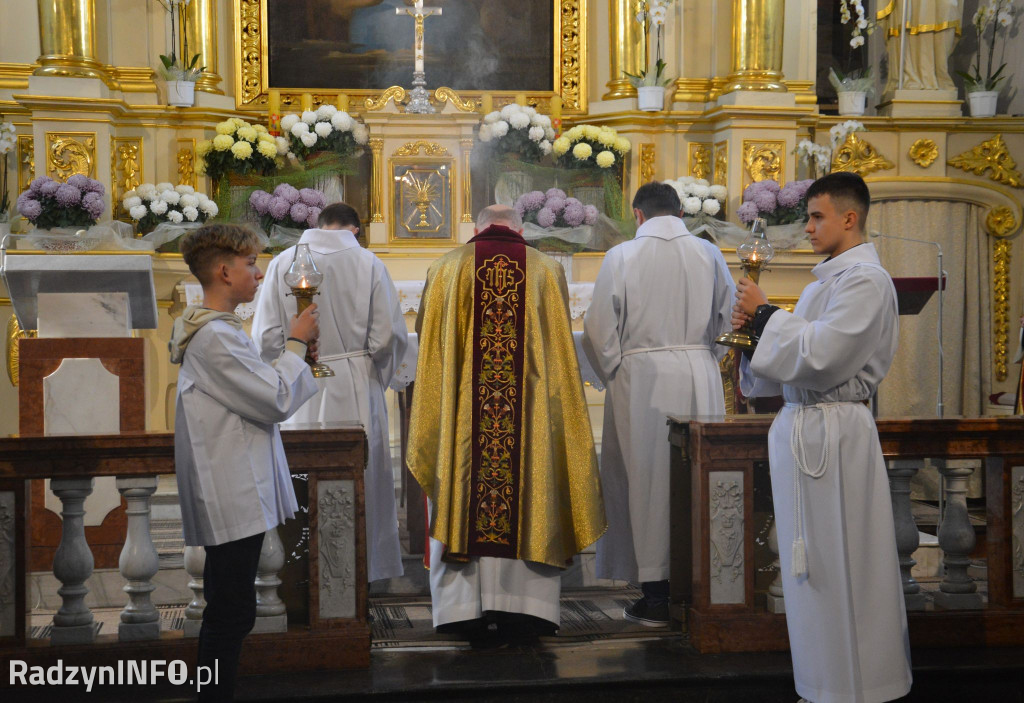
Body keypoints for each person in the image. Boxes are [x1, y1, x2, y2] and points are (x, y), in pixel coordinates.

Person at [733, 172, 912, 703]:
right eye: (807, 216)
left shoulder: (866, 281)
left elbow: (823, 355)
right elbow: (787, 364)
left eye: (816, 217)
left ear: (849, 218)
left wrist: (766, 314)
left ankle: (860, 686)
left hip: (837, 432)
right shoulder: (820, 284)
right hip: (805, 429)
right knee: (811, 569)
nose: (807, 228)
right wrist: (751, 340)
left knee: (845, 564)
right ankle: (823, 683)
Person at [407, 204, 606, 641]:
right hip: (527, 422)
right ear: (520, 228)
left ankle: (462, 610)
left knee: (461, 481)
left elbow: (429, 342)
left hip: (464, 422)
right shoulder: (544, 271)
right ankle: (527, 608)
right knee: (533, 475)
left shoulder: (445, 268)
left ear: (475, 227)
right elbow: (557, 364)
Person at [171, 223, 320, 702]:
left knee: (229, 606)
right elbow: (274, 398)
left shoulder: (219, 331)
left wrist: (291, 351)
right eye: (251, 265)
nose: (259, 275)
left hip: (232, 483)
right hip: (230, 488)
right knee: (231, 610)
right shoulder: (215, 337)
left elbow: (258, 388)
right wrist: (297, 342)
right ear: (223, 271)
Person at [582, 181, 735, 627]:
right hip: (698, 372)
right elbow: (727, 318)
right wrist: (705, 359)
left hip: (642, 378)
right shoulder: (709, 254)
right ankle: (701, 588)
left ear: (638, 214)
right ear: (681, 213)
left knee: (646, 481)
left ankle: (655, 596)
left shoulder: (623, 256)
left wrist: (616, 369)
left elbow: (598, 327)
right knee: (696, 477)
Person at [252, 202, 408, 583]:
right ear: (354, 230)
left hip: (296, 378)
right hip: (355, 379)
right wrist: (375, 374)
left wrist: (289, 361)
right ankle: (359, 573)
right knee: (359, 476)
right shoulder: (369, 263)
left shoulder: (281, 262)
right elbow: (387, 337)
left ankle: (296, 570)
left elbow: (266, 339)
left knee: (298, 474)